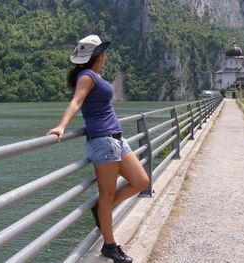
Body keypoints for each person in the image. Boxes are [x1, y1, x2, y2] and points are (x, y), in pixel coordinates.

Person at [46, 35, 149, 263]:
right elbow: (76, 102)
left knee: (141, 181)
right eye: (102, 51)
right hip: (103, 142)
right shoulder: (87, 76)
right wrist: (62, 126)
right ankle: (110, 246)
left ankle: (102, 208)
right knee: (107, 194)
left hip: (116, 140)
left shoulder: (95, 74)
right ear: (97, 54)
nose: (105, 55)